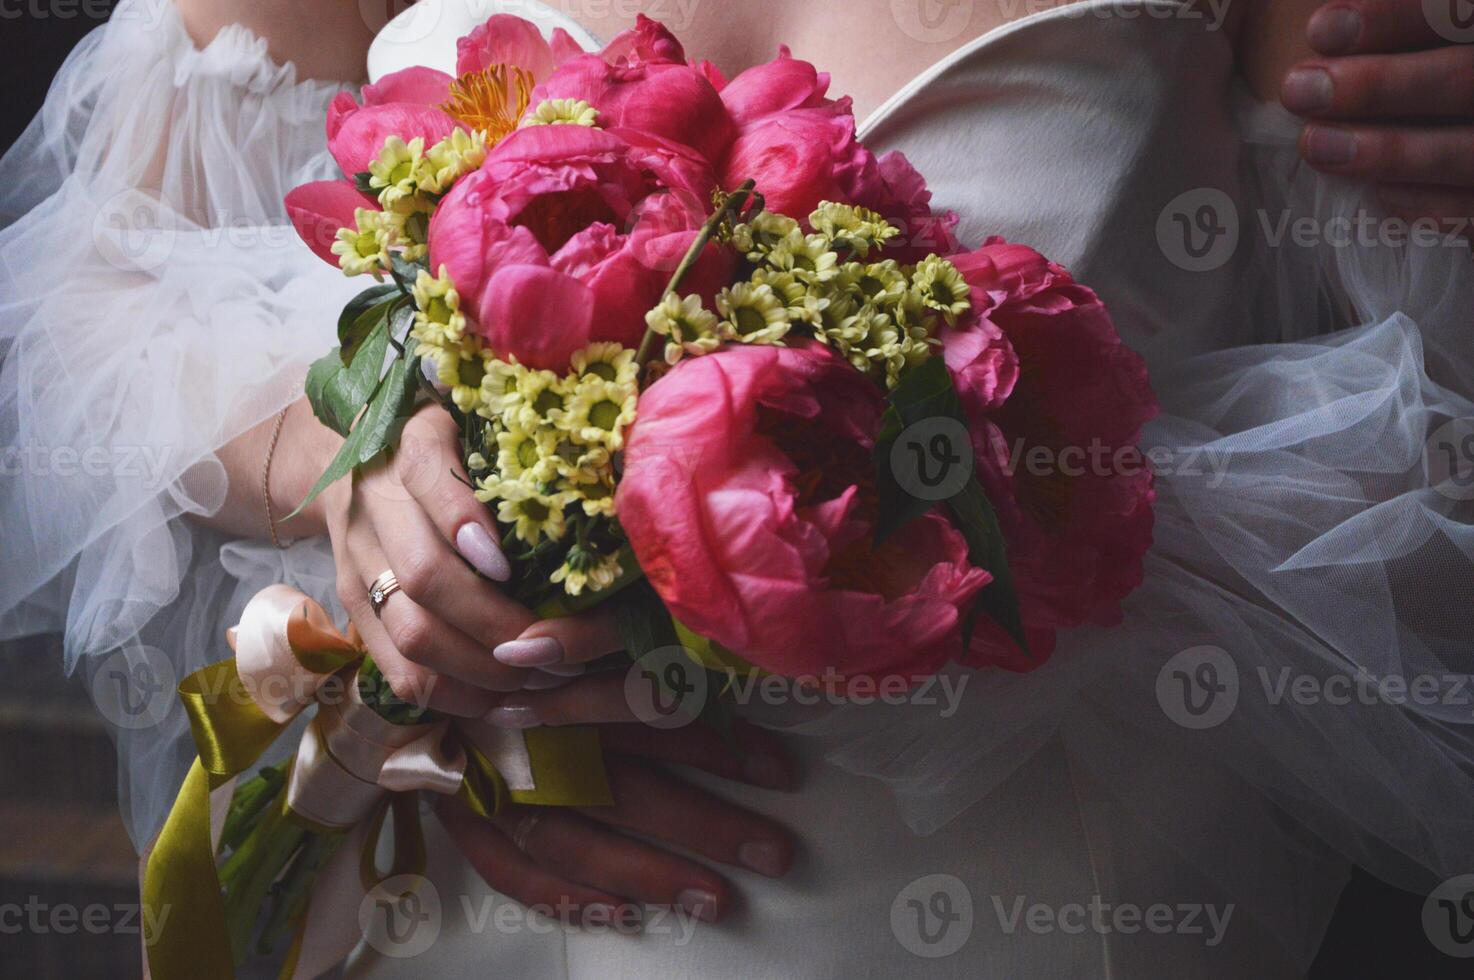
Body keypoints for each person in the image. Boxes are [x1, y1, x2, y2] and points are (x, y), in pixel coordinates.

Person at [0, 0, 1470, 976]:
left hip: (1014, 893)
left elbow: (1405, 422)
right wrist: (356, 471)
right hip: (470, 887)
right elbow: (102, 279)